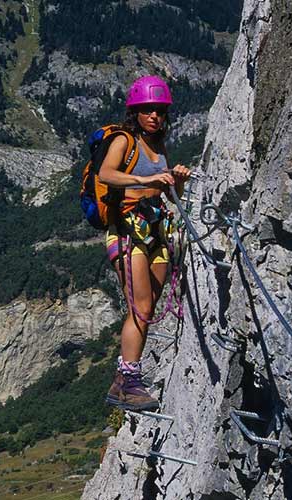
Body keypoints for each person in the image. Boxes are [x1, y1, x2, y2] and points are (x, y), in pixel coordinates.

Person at [99, 75, 191, 411]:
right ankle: (128, 379)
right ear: (135, 112)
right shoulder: (125, 141)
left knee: (150, 306)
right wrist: (144, 178)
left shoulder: (159, 147)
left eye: (159, 111)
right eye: (147, 110)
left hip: (156, 229)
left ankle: (126, 380)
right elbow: (106, 174)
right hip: (127, 230)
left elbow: (168, 194)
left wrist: (175, 182)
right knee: (139, 307)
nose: (154, 116)